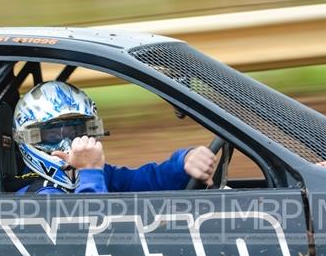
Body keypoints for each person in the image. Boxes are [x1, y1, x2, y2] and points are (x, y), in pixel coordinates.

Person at [12, 81, 217, 194]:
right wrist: (90, 171)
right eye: (52, 134)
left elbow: (146, 180)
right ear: (29, 138)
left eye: (76, 132)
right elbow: (91, 235)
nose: (69, 145)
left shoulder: (94, 175)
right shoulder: (39, 197)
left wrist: (184, 162)